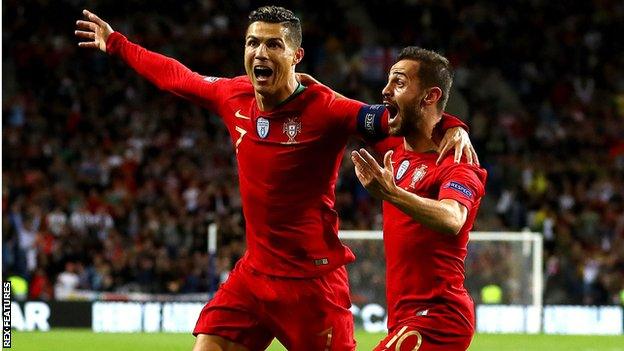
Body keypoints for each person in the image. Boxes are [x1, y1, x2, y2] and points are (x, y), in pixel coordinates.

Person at [75, 7, 475, 350]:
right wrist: (117, 43)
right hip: (254, 275)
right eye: (252, 43)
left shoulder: (328, 109)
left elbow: (403, 119)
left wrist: (453, 126)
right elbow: (176, 76)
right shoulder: (233, 96)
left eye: (272, 44)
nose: (259, 53)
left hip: (312, 285)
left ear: (296, 54)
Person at [351, 47, 487, 351]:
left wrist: (392, 193)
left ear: (430, 96)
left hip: (439, 318)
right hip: (403, 318)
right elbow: (341, 111)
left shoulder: (458, 163)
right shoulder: (394, 144)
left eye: (399, 83)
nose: (385, 91)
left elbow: (452, 219)